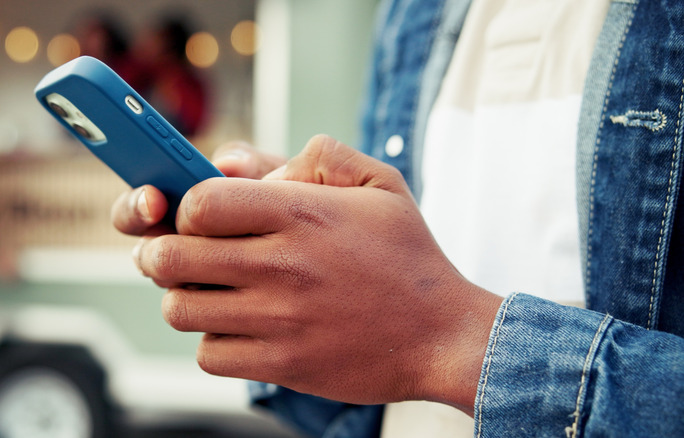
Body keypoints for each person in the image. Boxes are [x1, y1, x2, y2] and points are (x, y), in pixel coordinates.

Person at [110, 0, 684, 437]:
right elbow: (370, 382)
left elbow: (416, 327)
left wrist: (448, 341)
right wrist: (289, 260)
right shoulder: (412, 11)